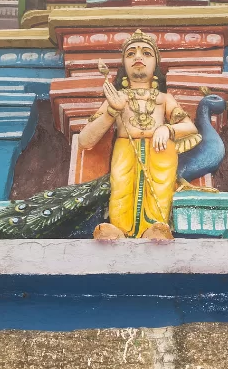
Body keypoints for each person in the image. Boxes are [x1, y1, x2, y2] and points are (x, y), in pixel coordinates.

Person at [78, 29, 199, 240]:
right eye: (131, 53)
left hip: (159, 151)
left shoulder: (164, 98)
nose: (138, 57)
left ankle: (155, 227)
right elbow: (85, 140)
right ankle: (120, 229)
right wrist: (112, 111)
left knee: (160, 188)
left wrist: (167, 128)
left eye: (146, 53)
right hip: (126, 147)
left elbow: (190, 127)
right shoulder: (117, 97)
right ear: (124, 64)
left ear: (156, 65)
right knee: (121, 187)